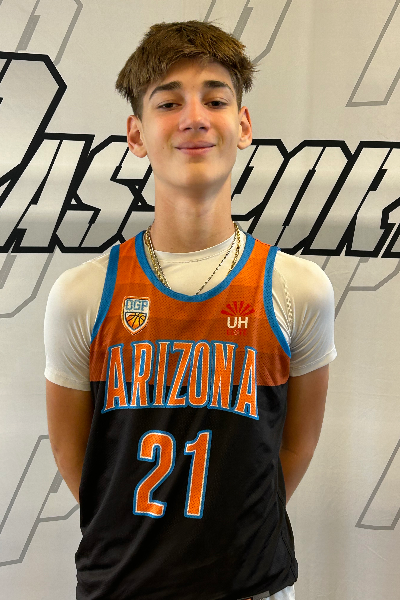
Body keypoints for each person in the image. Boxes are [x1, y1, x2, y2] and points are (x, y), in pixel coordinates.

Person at [45, 20, 336, 600]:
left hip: (251, 584)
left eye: (216, 99)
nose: (195, 118)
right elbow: (75, 456)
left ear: (243, 124)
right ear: (136, 133)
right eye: (169, 102)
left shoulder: (299, 288)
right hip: (123, 585)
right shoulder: (83, 293)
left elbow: (294, 449)